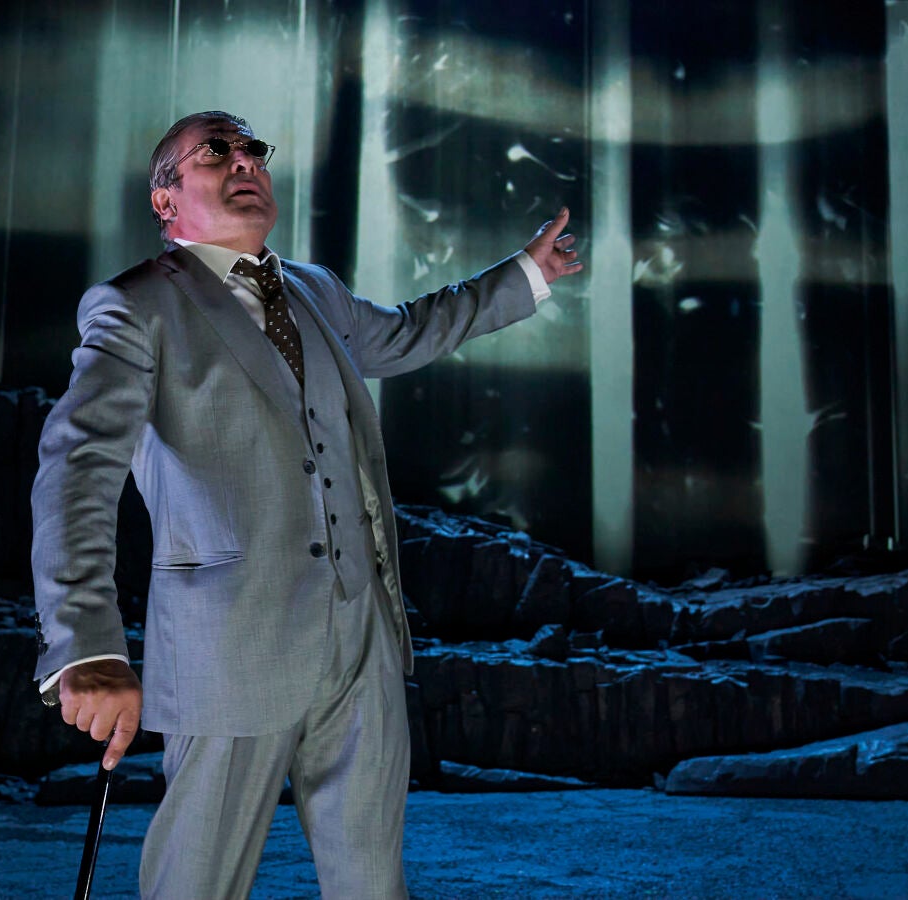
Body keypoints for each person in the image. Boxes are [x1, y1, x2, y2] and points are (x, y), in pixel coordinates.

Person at [30, 109, 582, 899]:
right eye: (215, 151)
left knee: (373, 885)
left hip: (360, 641)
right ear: (164, 199)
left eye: (253, 150)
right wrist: (86, 647)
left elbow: (409, 331)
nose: (244, 161)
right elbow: (76, 472)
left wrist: (522, 274)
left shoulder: (315, 289)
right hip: (230, 648)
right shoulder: (136, 306)